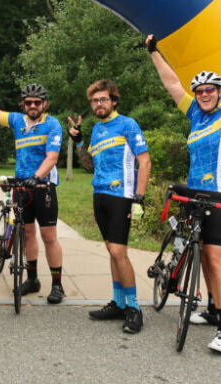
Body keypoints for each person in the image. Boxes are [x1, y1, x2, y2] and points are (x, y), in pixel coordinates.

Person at [145, 14, 221, 354]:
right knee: (201, 256)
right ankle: (211, 307)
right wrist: (154, 52)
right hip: (194, 195)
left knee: (215, 259)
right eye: (200, 91)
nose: (204, 94)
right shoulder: (195, 115)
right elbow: (173, 84)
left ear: (220, 93)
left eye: (210, 90)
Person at [68, 79, 151, 334]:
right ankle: (118, 302)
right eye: (94, 100)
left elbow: (145, 161)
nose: (98, 104)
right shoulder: (97, 129)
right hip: (99, 194)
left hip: (121, 195)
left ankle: (134, 308)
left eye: (103, 99)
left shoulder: (127, 124)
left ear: (113, 100)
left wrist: (138, 197)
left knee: (118, 251)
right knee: (111, 251)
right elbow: (90, 165)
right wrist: (80, 141)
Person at [0, 81, 66, 304]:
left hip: (42, 186)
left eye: (37, 102)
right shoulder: (17, 121)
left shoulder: (52, 124)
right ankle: (32, 279)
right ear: (23, 104)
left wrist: (36, 177)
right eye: (28, 102)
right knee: (28, 234)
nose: (32, 105)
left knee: (49, 237)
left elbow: (52, 157)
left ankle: (57, 285)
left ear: (44, 104)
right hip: (21, 186)